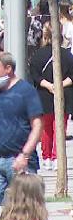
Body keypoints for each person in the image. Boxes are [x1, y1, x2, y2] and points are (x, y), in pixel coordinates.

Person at [0, 52, 44, 211]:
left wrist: (25, 154)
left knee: (25, 211)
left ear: (8, 69)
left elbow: (38, 125)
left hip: (19, 162)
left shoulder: (26, 91)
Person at [27, 23, 73, 171]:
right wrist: (60, 84)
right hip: (64, 94)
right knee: (60, 126)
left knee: (46, 128)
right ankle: (56, 156)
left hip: (44, 94)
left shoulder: (37, 55)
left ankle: (46, 157)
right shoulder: (67, 54)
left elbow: (35, 75)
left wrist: (48, 85)